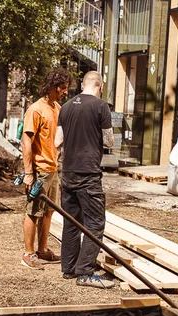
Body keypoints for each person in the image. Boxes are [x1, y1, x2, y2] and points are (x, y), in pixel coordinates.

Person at [55, 71, 115, 289]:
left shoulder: (66, 107)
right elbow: (109, 142)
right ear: (100, 86)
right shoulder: (101, 107)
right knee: (95, 223)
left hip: (68, 172)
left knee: (71, 221)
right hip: (88, 174)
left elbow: (57, 141)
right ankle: (85, 272)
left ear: (82, 85)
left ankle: (68, 268)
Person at [20, 68, 71, 270]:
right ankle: (28, 253)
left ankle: (42, 250)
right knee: (33, 211)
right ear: (52, 87)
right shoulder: (36, 109)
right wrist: (28, 173)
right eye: (63, 88)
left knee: (48, 211)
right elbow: (26, 143)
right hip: (39, 170)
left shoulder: (57, 108)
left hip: (52, 168)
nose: (65, 91)